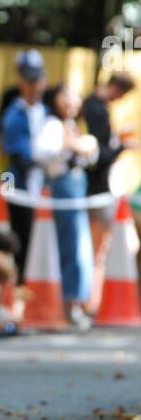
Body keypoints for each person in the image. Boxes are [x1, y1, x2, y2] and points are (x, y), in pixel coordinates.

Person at [33, 82, 98, 330]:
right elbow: (41, 152)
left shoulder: (72, 126)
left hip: (77, 185)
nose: (72, 101)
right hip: (63, 185)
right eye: (66, 96)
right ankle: (69, 304)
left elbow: (90, 156)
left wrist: (86, 146)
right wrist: (71, 145)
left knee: (81, 245)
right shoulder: (52, 124)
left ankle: (78, 302)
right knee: (70, 245)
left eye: (75, 95)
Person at [81, 71, 138, 314]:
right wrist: (120, 147)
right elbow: (98, 155)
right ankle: (90, 301)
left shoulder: (96, 106)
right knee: (97, 248)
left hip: (96, 185)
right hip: (95, 186)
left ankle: (90, 299)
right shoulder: (95, 109)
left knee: (98, 247)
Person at [0, 49, 48, 278]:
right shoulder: (13, 114)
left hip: (41, 185)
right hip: (17, 183)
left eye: (37, 80)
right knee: (19, 234)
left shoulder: (45, 111)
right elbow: (21, 154)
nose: (34, 85)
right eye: (30, 80)